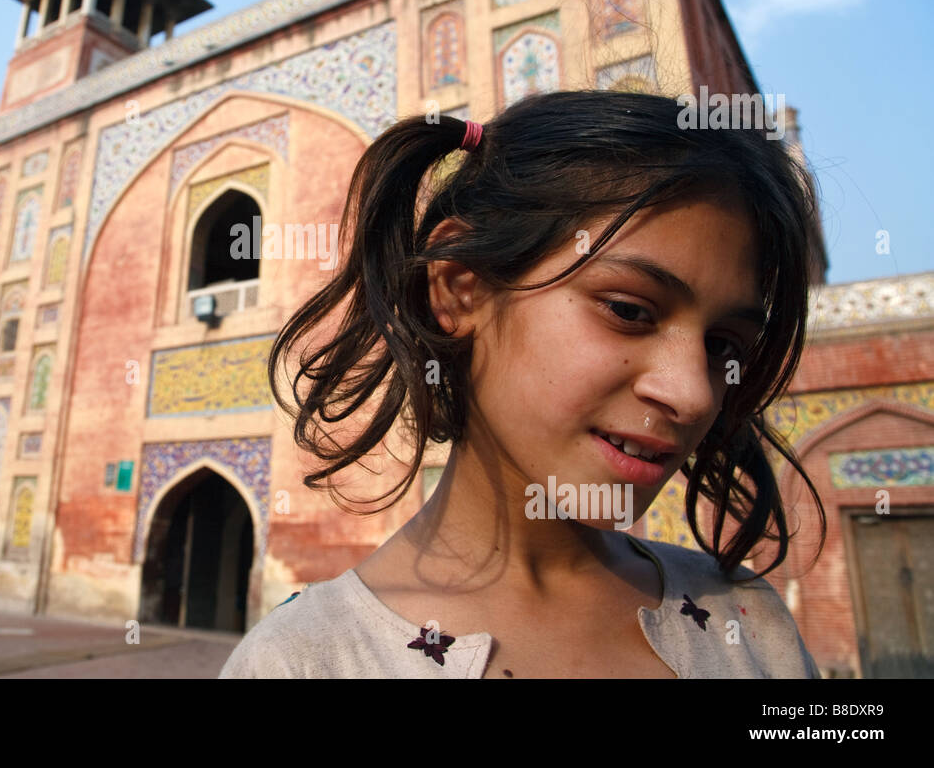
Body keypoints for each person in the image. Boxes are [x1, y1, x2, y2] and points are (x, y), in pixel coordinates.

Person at [220, 90, 825, 678]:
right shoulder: (307, 662)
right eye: (629, 310)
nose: (693, 394)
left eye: (722, 346)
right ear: (460, 286)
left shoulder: (748, 624)